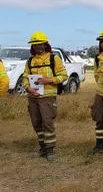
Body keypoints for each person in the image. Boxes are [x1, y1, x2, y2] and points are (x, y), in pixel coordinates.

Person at [22, 31, 68, 162]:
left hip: (48, 97)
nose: (37, 47)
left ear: (45, 44)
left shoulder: (54, 59)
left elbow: (64, 76)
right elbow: (25, 77)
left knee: (47, 123)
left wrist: (49, 80)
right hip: (33, 97)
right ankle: (42, 149)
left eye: (40, 44)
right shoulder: (30, 61)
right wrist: (27, 88)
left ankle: (50, 150)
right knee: (37, 123)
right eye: (35, 45)